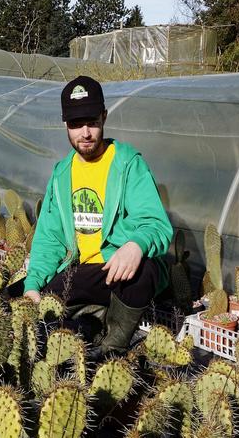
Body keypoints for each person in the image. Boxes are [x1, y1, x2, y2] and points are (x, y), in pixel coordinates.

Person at [14, 75, 173, 357]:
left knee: (145, 270)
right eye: (76, 124)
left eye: (92, 122)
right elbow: (48, 238)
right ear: (65, 124)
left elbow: (157, 224)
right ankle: (95, 318)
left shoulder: (127, 164)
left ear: (104, 117)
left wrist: (135, 245)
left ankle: (113, 347)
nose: (85, 133)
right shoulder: (62, 173)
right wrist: (32, 286)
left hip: (123, 272)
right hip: (84, 273)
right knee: (33, 301)